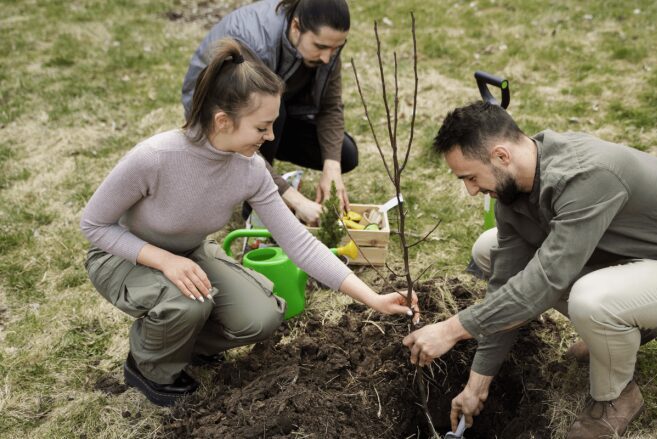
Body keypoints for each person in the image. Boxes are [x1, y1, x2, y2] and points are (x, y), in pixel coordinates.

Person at [81, 38, 416, 407]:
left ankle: (177, 340)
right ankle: (148, 364)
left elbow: (299, 243)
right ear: (223, 121)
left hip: (187, 253)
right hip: (122, 256)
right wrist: (163, 260)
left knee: (261, 316)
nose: (271, 137)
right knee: (189, 303)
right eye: (262, 127)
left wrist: (373, 299)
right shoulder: (155, 157)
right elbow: (94, 226)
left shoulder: (250, 170)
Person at [403, 101, 657, 438]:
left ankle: (616, 397)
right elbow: (508, 285)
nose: (471, 191)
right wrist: (477, 385)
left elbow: (545, 282)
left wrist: (451, 330)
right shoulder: (514, 195)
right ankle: (621, 330)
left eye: (471, 177)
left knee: (590, 300)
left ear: (502, 156)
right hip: (629, 261)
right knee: (489, 248)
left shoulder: (584, 176)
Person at [182, 0, 355, 225]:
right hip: (220, 123)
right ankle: (257, 202)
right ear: (296, 27)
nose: (327, 57)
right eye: (320, 47)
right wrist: (293, 198)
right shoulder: (252, 43)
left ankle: (267, 167)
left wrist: (332, 170)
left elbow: (330, 107)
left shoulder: (326, 44)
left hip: (271, 114)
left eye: (336, 48)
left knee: (344, 154)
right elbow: (239, 125)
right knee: (274, 111)